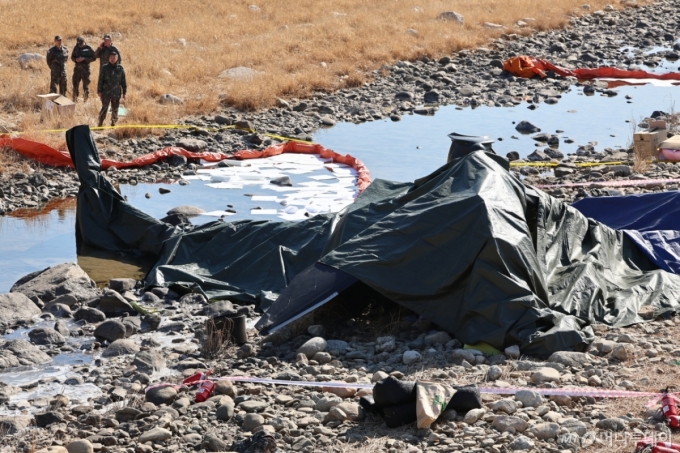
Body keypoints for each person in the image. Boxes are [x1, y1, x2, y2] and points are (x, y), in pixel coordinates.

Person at [97, 52, 126, 127]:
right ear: (109, 58)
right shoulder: (105, 67)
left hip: (116, 92)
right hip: (106, 92)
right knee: (104, 108)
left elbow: (123, 81)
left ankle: (113, 123)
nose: (112, 59)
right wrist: (99, 91)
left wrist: (124, 92)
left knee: (115, 108)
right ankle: (100, 123)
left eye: (114, 58)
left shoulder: (120, 68)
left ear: (117, 58)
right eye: (111, 58)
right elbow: (100, 80)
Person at [70, 36, 96, 102]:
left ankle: (85, 100)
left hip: (85, 70)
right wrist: (76, 60)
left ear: (84, 42)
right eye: (79, 44)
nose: (80, 46)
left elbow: (94, 58)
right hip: (77, 70)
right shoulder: (76, 48)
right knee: (75, 85)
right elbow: (72, 57)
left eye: (81, 44)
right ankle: (75, 100)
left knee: (86, 86)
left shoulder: (89, 48)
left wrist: (84, 59)